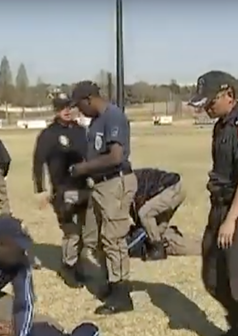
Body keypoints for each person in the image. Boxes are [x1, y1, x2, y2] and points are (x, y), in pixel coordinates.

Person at [188, 70, 238, 336]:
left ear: (229, 96)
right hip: (220, 207)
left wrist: (232, 220)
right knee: (212, 277)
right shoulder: (221, 125)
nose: (207, 107)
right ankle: (237, 326)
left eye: (211, 101)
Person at [69, 80, 137, 315]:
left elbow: (116, 156)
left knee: (113, 239)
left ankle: (122, 295)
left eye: (79, 105)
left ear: (89, 98)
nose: (79, 111)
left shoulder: (113, 116)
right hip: (101, 185)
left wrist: (84, 169)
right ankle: (112, 283)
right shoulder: (97, 121)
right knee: (100, 239)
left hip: (115, 183)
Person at [32, 88, 95, 289]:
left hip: (84, 187)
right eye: (61, 108)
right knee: (71, 231)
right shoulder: (48, 135)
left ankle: (77, 265)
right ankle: (68, 267)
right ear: (55, 111)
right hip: (62, 190)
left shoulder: (80, 131)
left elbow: (91, 157)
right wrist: (40, 189)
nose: (66, 111)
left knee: (87, 232)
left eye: (69, 107)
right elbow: (38, 162)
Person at [127, 168, 200, 260]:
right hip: (174, 187)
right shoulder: (130, 179)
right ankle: (207, 246)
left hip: (172, 189)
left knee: (145, 214)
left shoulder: (127, 187)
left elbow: (139, 212)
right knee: (158, 232)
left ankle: (158, 249)